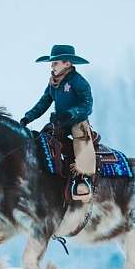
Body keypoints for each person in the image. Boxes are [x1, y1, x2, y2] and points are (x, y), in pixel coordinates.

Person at [20, 44, 96, 202]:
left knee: (81, 136)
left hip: (77, 121)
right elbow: (43, 103)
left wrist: (70, 114)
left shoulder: (79, 82)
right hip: (59, 123)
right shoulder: (53, 84)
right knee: (42, 139)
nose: (52, 66)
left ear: (67, 64)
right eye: (52, 63)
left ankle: (84, 177)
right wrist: (28, 118)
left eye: (55, 62)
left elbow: (87, 106)